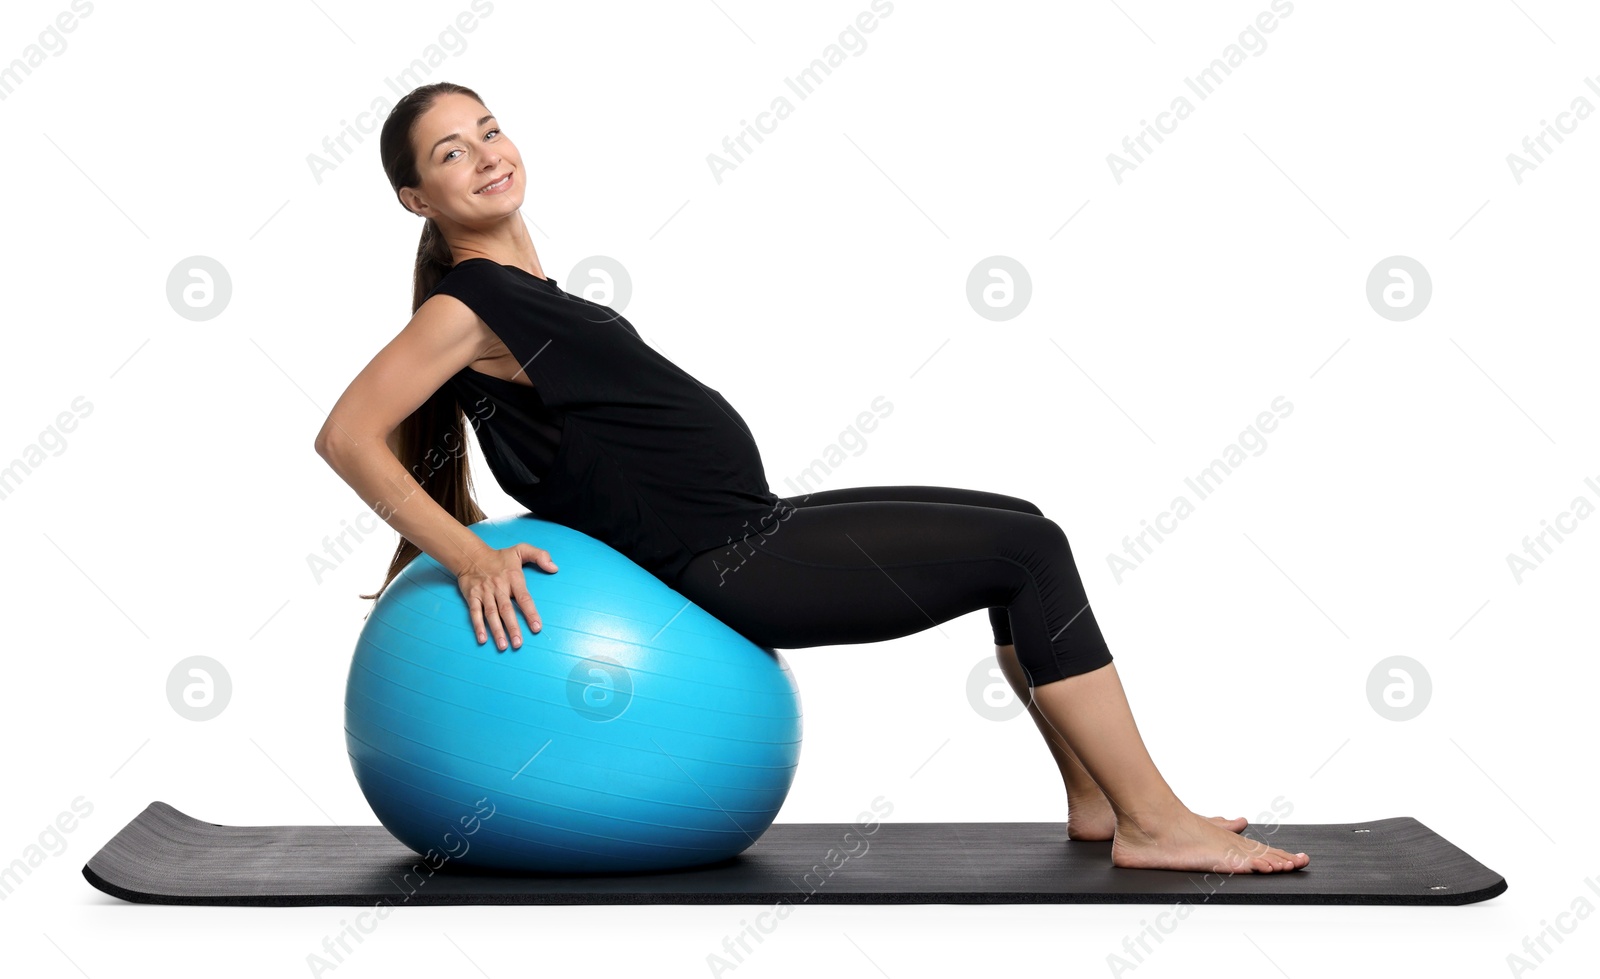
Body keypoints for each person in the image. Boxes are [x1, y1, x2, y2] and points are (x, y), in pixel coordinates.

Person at [313, 82, 1309, 876]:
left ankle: (1097, 798)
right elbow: (348, 434)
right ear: (416, 197)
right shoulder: (471, 302)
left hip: (752, 522)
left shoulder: (526, 293)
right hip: (728, 561)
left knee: (1019, 523)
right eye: (452, 151)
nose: (487, 155)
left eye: (489, 130)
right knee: (1027, 552)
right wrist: (462, 556)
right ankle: (1153, 818)